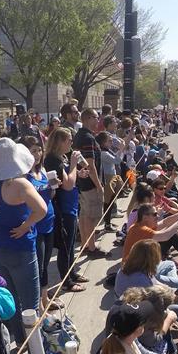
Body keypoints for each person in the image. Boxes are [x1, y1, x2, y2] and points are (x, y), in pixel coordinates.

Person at [0, 137, 47, 339]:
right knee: (30, 303)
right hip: (20, 248)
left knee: (10, 298)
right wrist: (25, 226)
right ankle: (36, 349)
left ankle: (19, 339)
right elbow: (41, 210)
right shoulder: (20, 184)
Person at [43, 127, 87, 292]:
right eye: (68, 139)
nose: (71, 142)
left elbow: (68, 178)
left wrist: (77, 172)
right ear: (59, 141)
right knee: (66, 246)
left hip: (71, 205)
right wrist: (74, 165)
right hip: (62, 207)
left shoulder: (60, 157)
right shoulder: (53, 160)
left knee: (70, 245)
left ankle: (72, 272)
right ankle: (67, 281)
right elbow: (68, 184)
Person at [20, 136, 60, 308]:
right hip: (35, 226)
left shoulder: (42, 170)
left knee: (44, 264)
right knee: (38, 266)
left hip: (49, 223)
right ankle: (40, 304)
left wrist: (53, 187)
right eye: (32, 150)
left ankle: (45, 298)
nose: (37, 154)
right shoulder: (22, 175)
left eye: (38, 150)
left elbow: (49, 197)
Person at [124, 204, 178, 270]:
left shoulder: (142, 223)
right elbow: (165, 236)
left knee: (171, 235)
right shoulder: (140, 229)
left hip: (139, 259)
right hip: (135, 267)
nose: (157, 216)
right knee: (170, 236)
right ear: (145, 217)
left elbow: (165, 222)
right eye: (154, 214)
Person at [73, 109, 106, 257]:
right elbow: (90, 165)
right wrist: (99, 186)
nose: (98, 120)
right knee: (91, 216)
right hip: (90, 183)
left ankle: (86, 245)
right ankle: (91, 247)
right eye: (96, 117)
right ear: (87, 118)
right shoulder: (87, 138)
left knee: (84, 215)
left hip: (82, 181)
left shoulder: (81, 135)